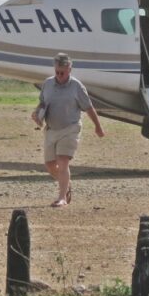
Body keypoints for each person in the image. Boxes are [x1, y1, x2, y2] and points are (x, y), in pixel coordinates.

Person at [31, 52, 104, 207]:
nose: (59, 75)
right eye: (57, 72)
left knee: (62, 162)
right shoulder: (48, 83)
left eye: (62, 73)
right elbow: (43, 103)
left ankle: (62, 198)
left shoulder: (77, 86)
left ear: (69, 69)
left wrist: (98, 127)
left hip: (70, 128)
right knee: (50, 165)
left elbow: (89, 108)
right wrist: (36, 114)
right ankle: (66, 183)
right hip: (51, 129)